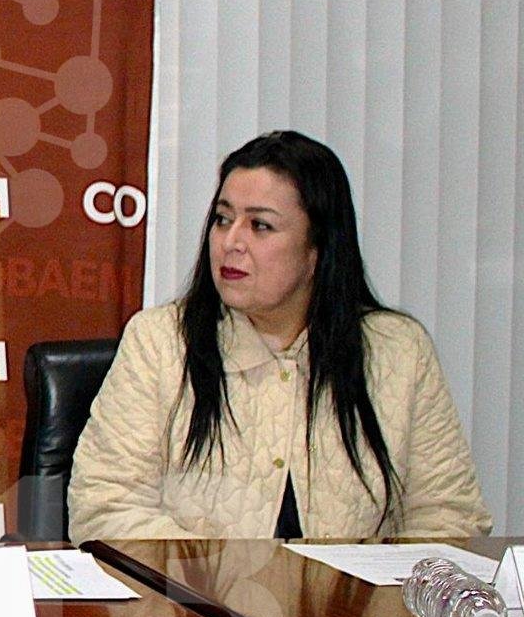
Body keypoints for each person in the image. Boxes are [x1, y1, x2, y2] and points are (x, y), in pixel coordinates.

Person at [69, 130, 490, 542]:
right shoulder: (160, 342)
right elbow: (105, 506)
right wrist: (221, 579)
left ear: (317, 249)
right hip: (191, 592)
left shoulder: (397, 351)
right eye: (223, 219)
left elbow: (451, 517)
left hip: (354, 594)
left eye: (260, 226)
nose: (231, 242)